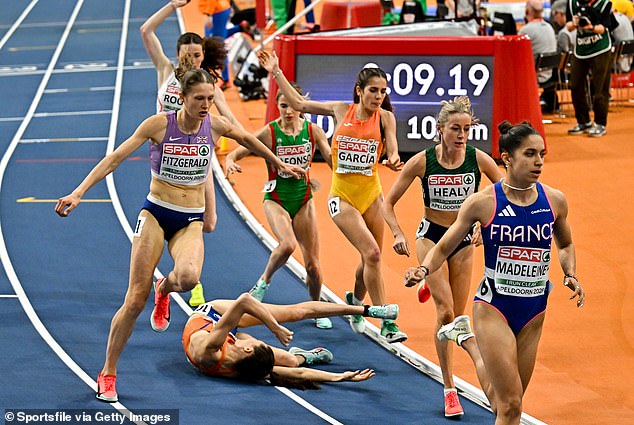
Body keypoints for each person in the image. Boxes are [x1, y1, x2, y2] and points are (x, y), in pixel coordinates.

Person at [55, 69, 307, 403]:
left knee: (188, 279)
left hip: (190, 219)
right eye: (199, 99)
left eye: (210, 98)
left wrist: (280, 164)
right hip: (156, 213)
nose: (206, 105)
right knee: (133, 301)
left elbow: (248, 139)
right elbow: (115, 157)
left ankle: (166, 287)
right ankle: (109, 372)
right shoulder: (159, 125)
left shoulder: (214, 125)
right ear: (183, 98)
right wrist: (78, 192)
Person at [406, 121, 585, 425]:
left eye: (542, 154)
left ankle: (467, 341)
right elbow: (444, 244)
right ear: (507, 158)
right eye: (530, 154)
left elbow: (565, 243)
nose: (539, 161)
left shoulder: (554, 200)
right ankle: (470, 334)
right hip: (494, 308)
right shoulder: (483, 203)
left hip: (533, 311)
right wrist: (423, 268)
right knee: (512, 405)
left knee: (500, 402)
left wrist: (570, 273)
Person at [258, 50, 408, 343]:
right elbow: (300, 103)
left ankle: (354, 301)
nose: (378, 96)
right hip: (342, 198)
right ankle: (387, 323)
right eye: (373, 91)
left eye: (382, 92)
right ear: (359, 91)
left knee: (368, 263)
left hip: (371, 194)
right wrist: (276, 71)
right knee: (374, 254)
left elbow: (393, 148)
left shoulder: (386, 117)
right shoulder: (341, 110)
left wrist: (392, 158)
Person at [383, 96, 503, 418]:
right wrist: (397, 233)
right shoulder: (423, 161)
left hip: (462, 244)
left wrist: (485, 225)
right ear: (440, 129)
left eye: (467, 129)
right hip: (431, 240)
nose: (462, 135)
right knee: (446, 313)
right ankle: (449, 388)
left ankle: (432, 285)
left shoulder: (478, 160)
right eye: (455, 129)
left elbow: (505, 195)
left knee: (457, 318)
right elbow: (387, 202)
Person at [140, 0, 241, 306]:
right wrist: (172, 6)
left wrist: (238, 150)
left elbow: (233, 124)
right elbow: (146, 30)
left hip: (199, 162)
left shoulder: (209, 88)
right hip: (168, 160)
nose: (192, 61)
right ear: (178, 55)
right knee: (177, 216)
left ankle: (180, 269)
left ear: (202, 56)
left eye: (197, 56)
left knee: (209, 224)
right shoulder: (166, 71)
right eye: (187, 55)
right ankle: (191, 284)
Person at [224, 82, 335, 329]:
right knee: (287, 245)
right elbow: (238, 151)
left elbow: (331, 161)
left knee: (313, 267)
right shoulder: (270, 132)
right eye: (283, 106)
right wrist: (230, 161)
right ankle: (263, 283)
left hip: (304, 199)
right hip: (276, 199)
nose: (288, 111)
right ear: (277, 106)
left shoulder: (313, 131)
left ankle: (315, 309)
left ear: (300, 105)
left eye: (292, 106)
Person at [183, 292, 400, 387]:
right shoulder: (248, 369)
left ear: (247, 350)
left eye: (258, 343)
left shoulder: (211, 348)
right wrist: (339, 377)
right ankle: (305, 355)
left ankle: (368, 310)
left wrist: (275, 327)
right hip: (228, 339)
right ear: (248, 351)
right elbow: (299, 373)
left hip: (213, 317)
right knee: (292, 361)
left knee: (296, 313)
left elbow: (244, 302)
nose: (256, 340)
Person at [566, 0, 614, 137]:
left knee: (600, 88)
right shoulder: (571, 3)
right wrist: (574, 23)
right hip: (581, 49)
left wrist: (590, 27)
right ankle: (583, 121)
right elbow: (568, 26)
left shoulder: (604, 3)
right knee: (575, 85)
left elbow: (603, 28)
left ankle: (600, 123)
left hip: (601, 48)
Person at [198, 0, 251, 88]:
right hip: (221, 8)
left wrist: (208, 14)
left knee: (215, 43)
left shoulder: (212, 11)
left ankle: (226, 79)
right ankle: (240, 28)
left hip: (217, 11)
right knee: (216, 37)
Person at [519, 0, 558, 113]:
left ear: (527, 11)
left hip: (535, 76)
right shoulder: (549, 27)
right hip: (549, 73)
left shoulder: (526, 30)